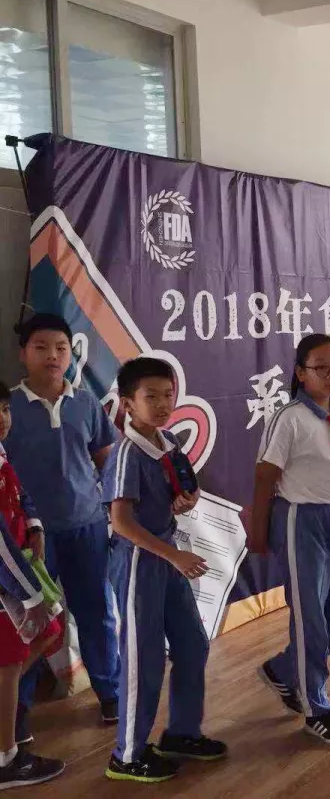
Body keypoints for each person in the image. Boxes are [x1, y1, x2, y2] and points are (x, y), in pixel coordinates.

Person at [102, 357, 227, 782]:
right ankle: (127, 755)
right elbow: (121, 522)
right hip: (140, 561)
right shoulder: (126, 453)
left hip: (167, 553)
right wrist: (174, 556)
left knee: (193, 643)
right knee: (144, 659)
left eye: (168, 394)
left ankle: (182, 733)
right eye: (150, 396)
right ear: (127, 403)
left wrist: (187, 500)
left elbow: (187, 486)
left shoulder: (168, 440)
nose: (162, 404)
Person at [4, 314, 121, 735]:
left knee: (96, 612)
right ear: (23, 354)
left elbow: (107, 459)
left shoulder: (85, 402)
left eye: (61, 348)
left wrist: (117, 510)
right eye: (41, 347)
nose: (52, 356)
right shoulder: (8, 408)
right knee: (28, 622)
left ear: (71, 354)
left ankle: (110, 693)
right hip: (28, 537)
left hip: (86, 526)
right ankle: (16, 712)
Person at [249, 334, 330, 745]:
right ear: (301, 373)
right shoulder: (290, 418)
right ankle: (317, 707)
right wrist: (258, 530)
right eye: (321, 368)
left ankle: (284, 669)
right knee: (309, 617)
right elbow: (265, 476)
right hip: (301, 520)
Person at [0, 385, 64, 789]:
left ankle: (8, 721)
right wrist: (29, 594)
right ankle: (6, 760)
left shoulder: (2, 453)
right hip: (7, 581)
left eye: (4, 409)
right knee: (8, 663)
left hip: (19, 566)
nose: (1, 418)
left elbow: (20, 494)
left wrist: (35, 524)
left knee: (48, 632)